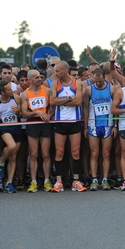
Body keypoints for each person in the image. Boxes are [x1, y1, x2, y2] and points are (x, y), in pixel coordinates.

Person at [50, 61, 87, 192]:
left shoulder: (77, 83)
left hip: (74, 121)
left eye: (57, 71)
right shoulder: (55, 84)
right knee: (59, 152)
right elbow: (52, 101)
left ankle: (76, 180)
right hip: (60, 121)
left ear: (65, 71)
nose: (55, 73)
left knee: (75, 152)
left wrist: (63, 101)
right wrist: (69, 99)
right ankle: (58, 181)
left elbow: (78, 101)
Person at [83, 68, 117, 191]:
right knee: (94, 153)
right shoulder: (88, 90)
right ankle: (94, 179)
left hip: (108, 125)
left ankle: (105, 180)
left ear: (104, 77)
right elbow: (86, 108)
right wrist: (85, 126)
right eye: (96, 81)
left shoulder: (112, 89)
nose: (98, 83)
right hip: (93, 125)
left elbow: (116, 107)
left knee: (106, 154)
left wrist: (116, 126)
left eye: (100, 80)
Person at [21, 70, 53, 192]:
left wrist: (49, 115)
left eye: (40, 77)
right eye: (36, 77)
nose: (39, 79)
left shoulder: (47, 91)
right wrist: (36, 112)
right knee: (33, 154)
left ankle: (46, 181)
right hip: (33, 123)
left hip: (45, 124)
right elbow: (24, 113)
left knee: (45, 154)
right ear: (30, 80)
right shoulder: (25, 94)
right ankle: (33, 181)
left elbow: (54, 108)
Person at [0, 80, 23, 193]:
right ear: (3, 92)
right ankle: (1, 163)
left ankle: (9, 182)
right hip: (5, 129)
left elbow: (22, 114)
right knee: (12, 146)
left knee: (13, 157)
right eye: (8, 89)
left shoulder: (16, 98)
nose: (12, 90)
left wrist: (18, 112)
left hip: (17, 129)